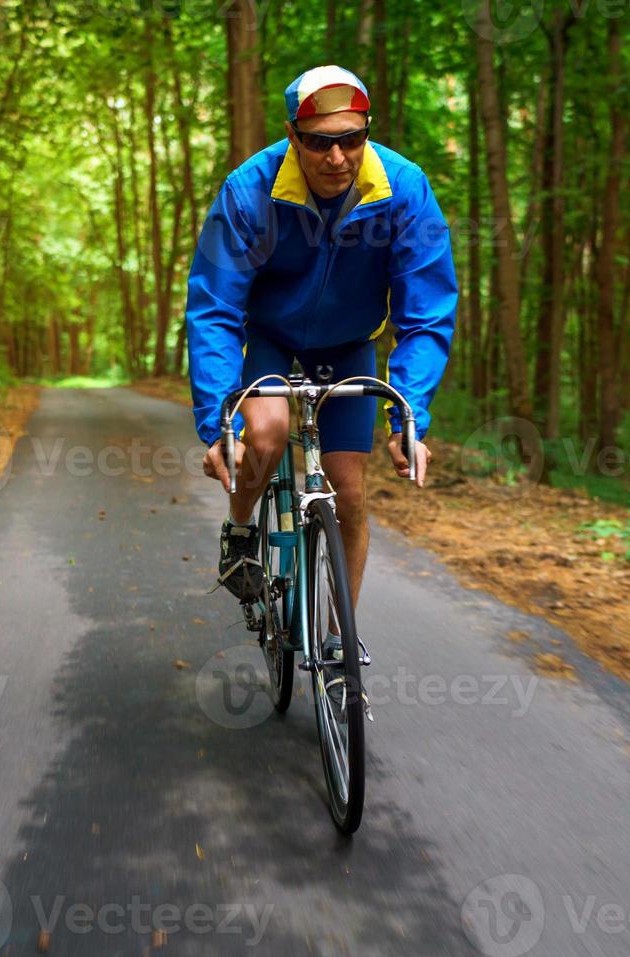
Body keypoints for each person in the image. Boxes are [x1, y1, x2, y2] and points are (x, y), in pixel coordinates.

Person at [185, 65, 456, 622]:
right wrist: (219, 426)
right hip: (270, 336)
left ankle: (339, 644)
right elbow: (213, 308)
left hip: (349, 342)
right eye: (319, 143)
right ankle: (240, 529)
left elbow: (425, 315)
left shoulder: (403, 190)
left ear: (367, 132)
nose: (337, 158)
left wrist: (409, 420)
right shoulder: (249, 190)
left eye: (351, 140)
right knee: (266, 433)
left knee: (350, 493)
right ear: (293, 137)